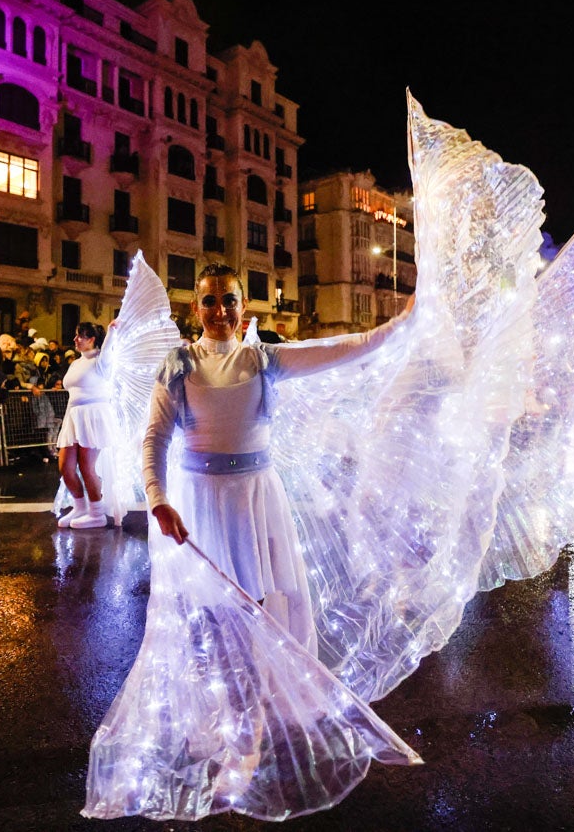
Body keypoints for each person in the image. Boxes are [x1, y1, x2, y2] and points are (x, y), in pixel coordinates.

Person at [145, 263, 413, 650]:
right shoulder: (178, 365)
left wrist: (399, 325)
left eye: (229, 300)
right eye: (209, 301)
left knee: (253, 603)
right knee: (207, 610)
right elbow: (155, 437)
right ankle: (221, 692)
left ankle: (252, 689)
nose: (220, 311)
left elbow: (338, 351)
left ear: (245, 305)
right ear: (194, 308)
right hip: (198, 498)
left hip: (255, 498)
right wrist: (158, 500)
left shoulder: (263, 360)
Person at [55, 322, 120, 529]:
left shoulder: (101, 361)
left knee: (86, 466)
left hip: (93, 417)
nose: (75, 339)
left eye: (80, 336)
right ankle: (80, 506)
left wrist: (111, 331)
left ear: (92, 339)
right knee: (65, 466)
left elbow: (109, 347)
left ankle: (96, 513)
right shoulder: (76, 363)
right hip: (73, 416)